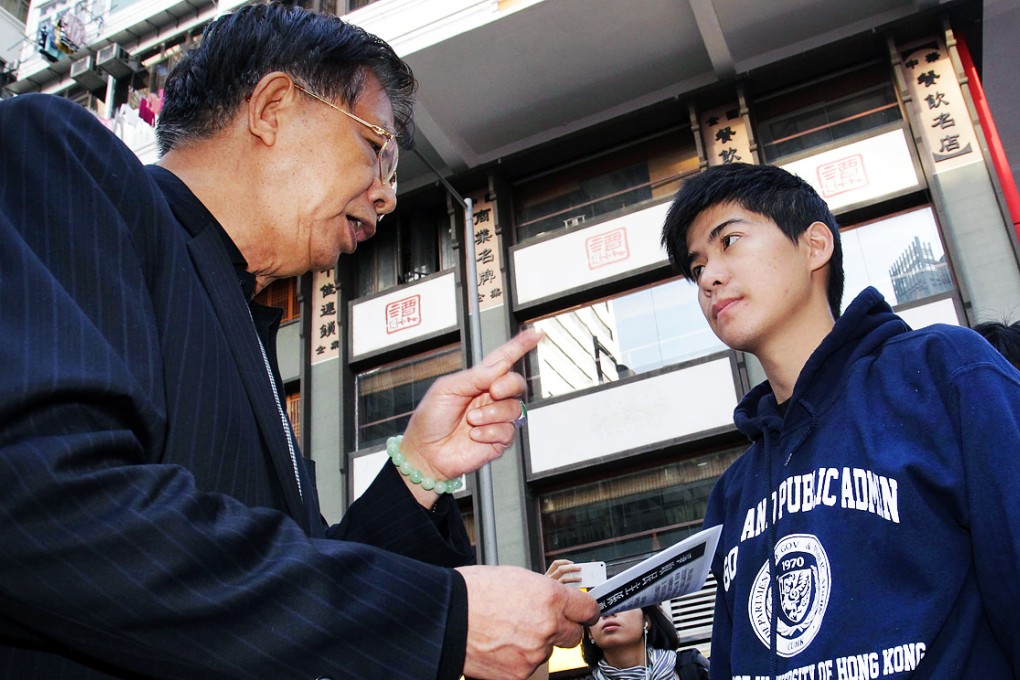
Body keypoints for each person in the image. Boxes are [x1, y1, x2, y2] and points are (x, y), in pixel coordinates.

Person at [0, 4, 598, 678]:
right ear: (273, 108)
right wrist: (439, 618)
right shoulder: (62, 160)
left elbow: (278, 597)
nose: (387, 197)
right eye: (376, 149)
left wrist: (418, 470)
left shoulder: (236, 309)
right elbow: (47, 505)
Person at [660, 162, 1020, 678]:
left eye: (730, 241)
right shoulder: (733, 493)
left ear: (815, 246)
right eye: (697, 269)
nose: (710, 279)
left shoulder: (942, 373)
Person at [545, 561, 709, 680]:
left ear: (646, 620)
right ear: (589, 633)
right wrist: (542, 605)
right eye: (599, 607)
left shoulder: (691, 668)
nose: (608, 614)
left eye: (620, 604)